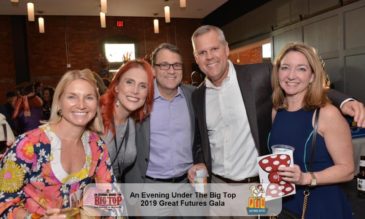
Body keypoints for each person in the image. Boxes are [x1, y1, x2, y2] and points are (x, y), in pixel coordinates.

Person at [188, 25, 364, 185]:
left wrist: (343, 100)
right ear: (196, 57)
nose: (209, 56)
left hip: (255, 186)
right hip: (217, 187)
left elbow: (297, 80)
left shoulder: (258, 76)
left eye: (214, 49)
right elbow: (199, 140)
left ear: (226, 49)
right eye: (202, 52)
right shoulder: (197, 95)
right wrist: (200, 161)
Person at [0, 69, 115, 218]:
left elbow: (110, 196)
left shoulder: (96, 146)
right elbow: (3, 201)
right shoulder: (29, 145)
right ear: (59, 102)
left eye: (89, 97)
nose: (81, 105)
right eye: (72, 97)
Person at [269, 42, 353, 218]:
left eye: (301, 69)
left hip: (322, 208)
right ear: (278, 73)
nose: (291, 75)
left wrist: (306, 178)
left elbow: (347, 170)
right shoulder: (277, 111)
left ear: (313, 76)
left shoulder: (327, 113)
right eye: (285, 67)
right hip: (285, 208)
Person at [124, 43, 197, 216]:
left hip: (189, 185)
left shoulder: (194, 96)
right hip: (151, 187)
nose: (171, 70)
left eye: (176, 65)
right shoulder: (140, 99)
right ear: (154, 70)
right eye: (164, 65)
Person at [100, 59, 154, 182]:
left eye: (143, 86)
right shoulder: (96, 116)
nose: (135, 91)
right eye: (129, 82)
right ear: (117, 86)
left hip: (113, 194)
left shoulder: (132, 121)